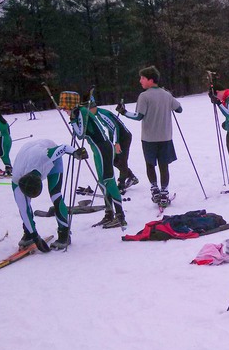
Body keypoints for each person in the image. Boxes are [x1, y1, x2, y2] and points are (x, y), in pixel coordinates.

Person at [116, 66, 182, 207]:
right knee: (164, 165)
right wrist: (168, 96)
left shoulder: (144, 96)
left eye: (143, 78)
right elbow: (179, 109)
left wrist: (123, 112)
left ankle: (155, 190)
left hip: (149, 138)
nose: (140, 81)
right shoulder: (166, 94)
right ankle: (164, 192)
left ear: (151, 80)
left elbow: (139, 116)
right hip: (165, 137)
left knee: (150, 164)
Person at [12, 139, 88, 251]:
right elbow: (24, 209)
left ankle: (64, 234)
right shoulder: (16, 179)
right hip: (27, 153)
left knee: (55, 195)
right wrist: (35, 237)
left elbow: (63, 148)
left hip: (48, 153)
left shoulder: (47, 155)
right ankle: (28, 232)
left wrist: (76, 153)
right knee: (24, 204)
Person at [68, 95, 128, 228]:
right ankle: (109, 214)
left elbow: (80, 134)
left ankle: (120, 216)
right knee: (101, 181)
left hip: (103, 148)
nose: (64, 111)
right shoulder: (79, 112)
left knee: (109, 180)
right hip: (97, 150)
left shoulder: (82, 112)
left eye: (65, 108)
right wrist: (73, 119)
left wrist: (72, 121)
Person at [90, 99, 139, 192]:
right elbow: (110, 128)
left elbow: (115, 128)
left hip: (124, 137)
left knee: (122, 160)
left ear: (92, 108)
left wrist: (116, 143)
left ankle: (121, 184)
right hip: (118, 138)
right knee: (114, 160)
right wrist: (111, 141)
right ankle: (131, 177)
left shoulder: (102, 114)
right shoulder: (98, 114)